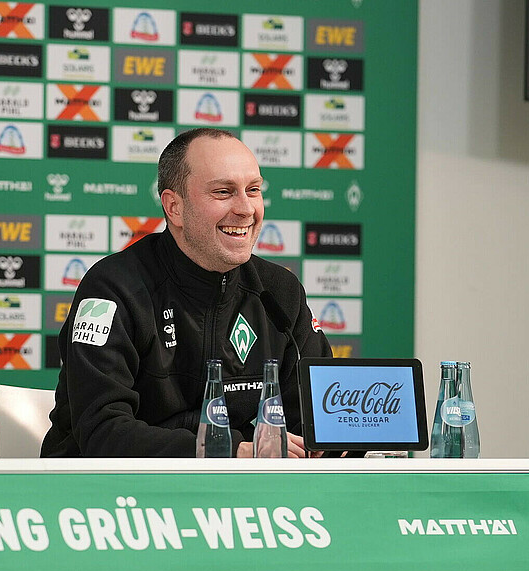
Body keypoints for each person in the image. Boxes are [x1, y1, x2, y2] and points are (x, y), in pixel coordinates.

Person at [40, 128, 331, 458]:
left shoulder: (278, 291)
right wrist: (231, 452)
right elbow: (103, 433)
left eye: (253, 190)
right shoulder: (113, 288)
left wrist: (333, 444)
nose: (247, 209)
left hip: (239, 498)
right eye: (224, 192)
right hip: (106, 500)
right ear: (174, 207)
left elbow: (317, 420)